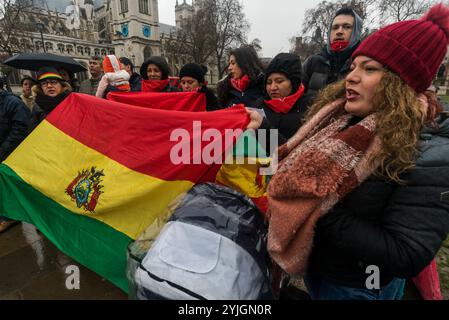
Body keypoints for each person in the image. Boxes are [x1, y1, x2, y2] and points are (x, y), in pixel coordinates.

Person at [247, 4, 449, 300]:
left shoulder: (429, 150)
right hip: (319, 273)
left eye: (369, 69)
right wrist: (259, 127)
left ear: (400, 84)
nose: (351, 77)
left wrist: (318, 207)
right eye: (354, 66)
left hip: (361, 287)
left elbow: (406, 252)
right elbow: (292, 162)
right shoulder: (340, 119)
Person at [302, 8, 363, 101]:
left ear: (356, 32)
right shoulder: (313, 62)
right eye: (335, 27)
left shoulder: (364, 64)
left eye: (347, 27)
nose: (339, 31)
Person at [256, 53, 313, 145]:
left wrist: (264, 127)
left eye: (279, 81)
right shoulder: (258, 106)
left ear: (294, 82)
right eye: (269, 82)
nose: (273, 87)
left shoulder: (311, 107)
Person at [0, 78, 30, 233]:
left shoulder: (13, 103)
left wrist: (2, 150)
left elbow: (20, 130)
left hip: (10, 154)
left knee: (8, 187)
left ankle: (9, 217)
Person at [29, 67, 72, 132]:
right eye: (44, 83)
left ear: (62, 85)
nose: (49, 86)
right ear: (41, 88)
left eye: (53, 82)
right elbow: (32, 132)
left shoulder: (71, 102)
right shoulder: (37, 107)